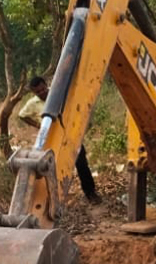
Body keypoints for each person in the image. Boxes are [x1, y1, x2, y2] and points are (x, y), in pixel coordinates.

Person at [18, 76, 101, 204]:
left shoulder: (59, 93)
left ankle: (90, 193)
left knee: (82, 164)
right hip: (50, 140)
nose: (42, 93)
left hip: (69, 136)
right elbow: (22, 115)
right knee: (51, 168)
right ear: (33, 92)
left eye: (43, 89)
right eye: (38, 92)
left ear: (46, 85)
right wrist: (37, 125)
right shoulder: (32, 104)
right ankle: (52, 199)